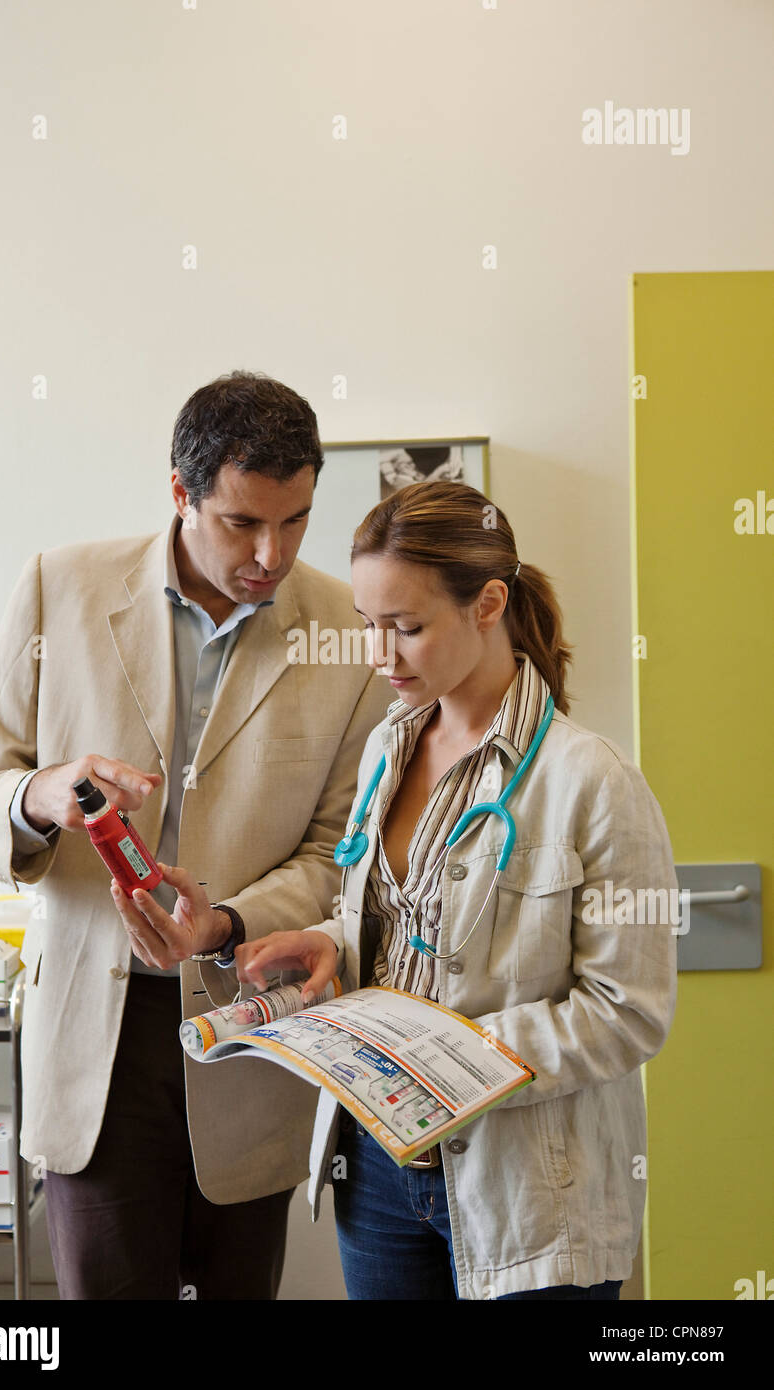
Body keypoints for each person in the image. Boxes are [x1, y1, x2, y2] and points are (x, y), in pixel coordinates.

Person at [0, 370, 392, 1300]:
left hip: (249, 1019)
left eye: (297, 519)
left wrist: (225, 921)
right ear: (181, 493)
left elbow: (337, 856)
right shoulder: (57, 585)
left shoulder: (348, 634)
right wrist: (38, 795)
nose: (271, 553)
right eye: (243, 522)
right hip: (95, 1038)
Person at [231, 479, 679, 1300]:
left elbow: (629, 1010)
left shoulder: (593, 781)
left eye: (406, 627)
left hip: (529, 1190)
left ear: (488, 604)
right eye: (369, 626)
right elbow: (406, 917)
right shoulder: (387, 748)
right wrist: (332, 939)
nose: (380, 655)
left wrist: (461, 1065)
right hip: (377, 1165)